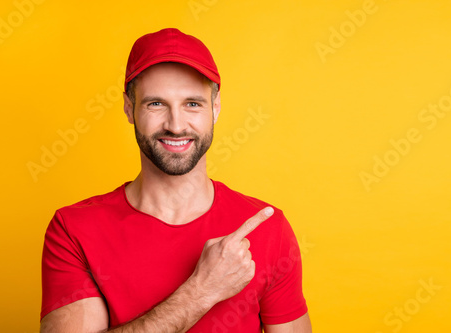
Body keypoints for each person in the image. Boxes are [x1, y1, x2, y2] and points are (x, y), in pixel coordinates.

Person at [40, 28, 312, 332]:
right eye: (156, 104)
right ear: (129, 108)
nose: (176, 125)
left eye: (192, 103)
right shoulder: (74, 230)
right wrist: (202, 291)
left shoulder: (267, 229)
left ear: (216, 108)